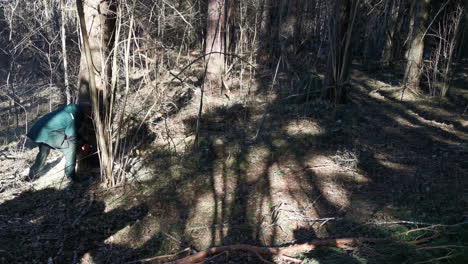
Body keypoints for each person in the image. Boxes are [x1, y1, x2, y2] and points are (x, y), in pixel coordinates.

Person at [26, 103, 92, 181]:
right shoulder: (73, 115)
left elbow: (72, 130)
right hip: (48, 132)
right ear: (86, 110)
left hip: (39, 130)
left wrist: (83, 141)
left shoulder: (69, 110)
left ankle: (32, 174)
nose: (90, 115)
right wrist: (80, 147)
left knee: (44, 151)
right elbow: (71, 135)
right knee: (70, 147)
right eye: (90, 112)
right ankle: (71, 176)